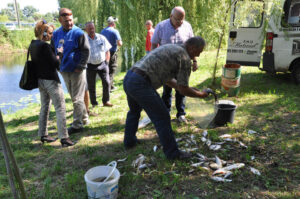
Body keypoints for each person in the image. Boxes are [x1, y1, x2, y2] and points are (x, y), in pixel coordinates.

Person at [123, 36, 211, 159]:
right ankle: (173, 153)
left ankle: (129, 142)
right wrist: (201, 94)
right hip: (141, 83)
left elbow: (168, 79)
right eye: (199, 52)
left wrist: (189, 89)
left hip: (130, 78)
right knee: (162, 116)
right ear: (192, 48)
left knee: (134, 111)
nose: (199, 55)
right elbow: (183, 89)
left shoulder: (172, 47)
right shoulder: (185, 57)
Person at [30, 20, 74, 147]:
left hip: (40, 81)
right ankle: (64, 137)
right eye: (49, 33)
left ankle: (43, 134)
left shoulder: (33, 44)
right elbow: (56, 63)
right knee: (60, 108)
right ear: (43, 33)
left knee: (45, 107)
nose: (52, 35)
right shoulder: (45, 46)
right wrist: (59, 52)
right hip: (51, 81)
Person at [151, 6, 197, 124]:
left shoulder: (187, 26)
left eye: (182, 19)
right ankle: (166, 113)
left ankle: (181, 114)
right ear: (171, 16)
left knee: (182, 89)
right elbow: (154, 44)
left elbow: (192, 46)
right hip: (166, 66)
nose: (180, 22)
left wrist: (195, 61)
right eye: (177, 19)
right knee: (167, 90)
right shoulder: (161, 26)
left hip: (183, 64)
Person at [51, 8, 90, 134]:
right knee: (74, 97)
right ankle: (84, 118)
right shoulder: (56, 34)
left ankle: (77, 125)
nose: (69, 23)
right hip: (64, 70)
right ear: (60, 20)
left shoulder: (79, 33)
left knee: (77, 99)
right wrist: (57, 64)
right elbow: (53, 50)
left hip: (77, 70)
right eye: (66, 21)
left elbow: (86, 51)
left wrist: (81, 66)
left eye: (71, 20)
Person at [85, 22, 113, 107]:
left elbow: (107, 50)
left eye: (93, 28)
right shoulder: (84, 40)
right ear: (86, 30)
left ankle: (106, 101)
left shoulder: (101, 37)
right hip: (90, 66)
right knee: (91, 85)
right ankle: (94, 103)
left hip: (102, 64)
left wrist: (107, 62)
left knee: (107, 82)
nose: (92, 30)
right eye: (89, 28)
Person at [101, 16, 123, 91]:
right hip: (112, 52)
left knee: (106, 69)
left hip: (104, 53)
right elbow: (119, 43)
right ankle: (109, 88)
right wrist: (121, 43)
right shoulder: (115, 31)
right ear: (113, 23)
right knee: (112, 69)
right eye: (115, 22)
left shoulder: (103, 31)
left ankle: (110, 86)